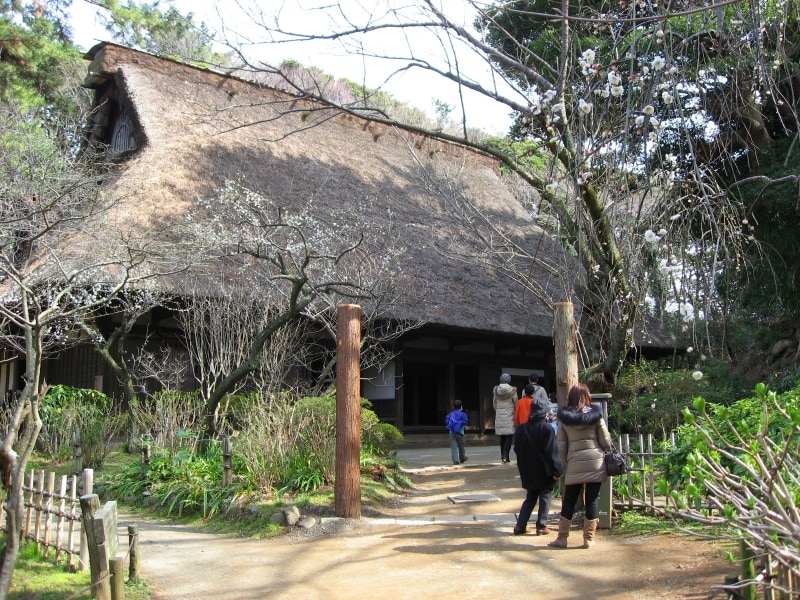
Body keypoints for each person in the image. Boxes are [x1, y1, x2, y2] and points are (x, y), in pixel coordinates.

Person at [549, 383, 612, 549]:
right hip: (595, 462)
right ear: (587, 396)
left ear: (571, 398)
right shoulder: (596, 415)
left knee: (569, 500)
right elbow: (606, 441)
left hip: (574, 462)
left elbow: (561, 445)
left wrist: (567, 462)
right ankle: (588, 539)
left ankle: (562, 538)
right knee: (592, 500)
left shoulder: (564, 418)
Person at [513, 399, 563, 536]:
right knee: (545, 496)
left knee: (530, 496)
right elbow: (552, 452)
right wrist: (558, 470)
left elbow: (517, 449)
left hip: (527, 468)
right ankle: (541, 526)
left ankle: (520, 525)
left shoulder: (521, 429)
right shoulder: (547, 429)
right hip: (544, 470)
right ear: (545, 414)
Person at [493, 373, 517, 464]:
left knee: (502, 437)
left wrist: (498, 411)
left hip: (499, 415)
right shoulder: (512, 390)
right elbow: (516, 403)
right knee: (509, 436)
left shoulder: (496, 390)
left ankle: (503, 456)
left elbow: (494, 403)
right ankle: (505, 456)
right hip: (509, 415)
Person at [445, 399, 469, 465]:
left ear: (453, 407)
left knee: (454, 447)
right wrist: (459, 424)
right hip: (460, 432)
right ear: (461, 407)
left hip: (452, 432)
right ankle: (462, 458)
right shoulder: (463, 414)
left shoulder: (450, 414)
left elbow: (446, 421)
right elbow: (465, 421)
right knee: (461, 446)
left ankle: (455, 460)